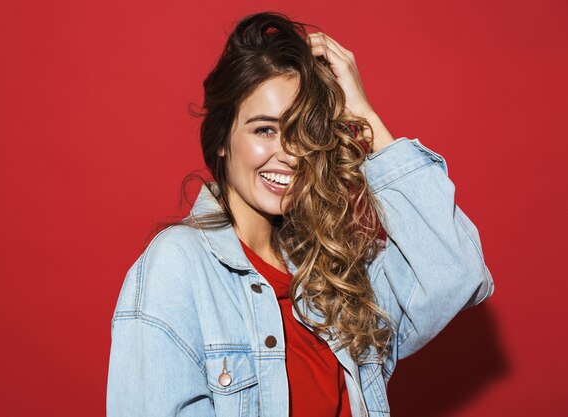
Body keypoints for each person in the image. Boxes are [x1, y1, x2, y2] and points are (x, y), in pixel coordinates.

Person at [106, 11, 494, 417]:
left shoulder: (335, 274)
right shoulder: (177, 267)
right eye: (264, 130)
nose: (289, 154)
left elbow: (458, 274)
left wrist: (364, 117)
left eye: (302, 131)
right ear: (221, 138)